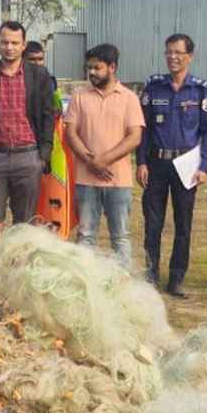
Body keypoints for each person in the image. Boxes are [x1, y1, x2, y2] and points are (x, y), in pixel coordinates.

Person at [138, 33, 207, 297]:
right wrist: (141, 162)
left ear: (189, 56)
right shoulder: (153, 88)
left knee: (183, 224)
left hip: (186, 166)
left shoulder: (201, 90)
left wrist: (204, 166)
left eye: (178, 53)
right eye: (169, 52)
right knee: (153, 224)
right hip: (157, 163)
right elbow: (143, 130)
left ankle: (177, 278)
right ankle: (151, 274)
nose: (172, 57)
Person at [0, 21, 57, 239]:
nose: (9, 47)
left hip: (28, 157)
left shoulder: (39, 75)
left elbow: (48, 116)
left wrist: (42, 156)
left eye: (15, 43)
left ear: (23, 45)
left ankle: (18, 270)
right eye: (5, 42)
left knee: (24, 227)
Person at [63, 43, 144, 269]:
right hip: (85, 179)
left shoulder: (129, 98)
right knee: (86, 235)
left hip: (118, 180)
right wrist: (91, 161)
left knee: (120, 236)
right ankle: (85, 282)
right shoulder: (80, 96)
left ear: (112, 67)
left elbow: (134, 137)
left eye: (97, 68)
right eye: (88, 68)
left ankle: (123, 286)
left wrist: (104, 160)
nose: (91, 73)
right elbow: (71, 133)